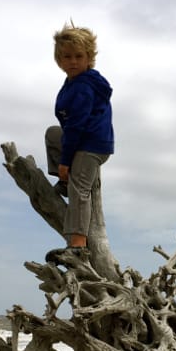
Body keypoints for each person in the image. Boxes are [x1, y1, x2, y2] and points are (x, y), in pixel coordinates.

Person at [44, 23, 114, 263]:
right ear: (59, 59)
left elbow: (76, 125)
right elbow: (66, 128)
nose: (73, 61)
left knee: (80, 190)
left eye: (79, 56)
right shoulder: (74, 82)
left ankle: (78, 245)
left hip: (91, 145)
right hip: (85, 139)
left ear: (89, 57)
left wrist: (65, 163)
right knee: (53, 134)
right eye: (67, 57)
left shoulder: (84, 85)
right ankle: (65, 184)